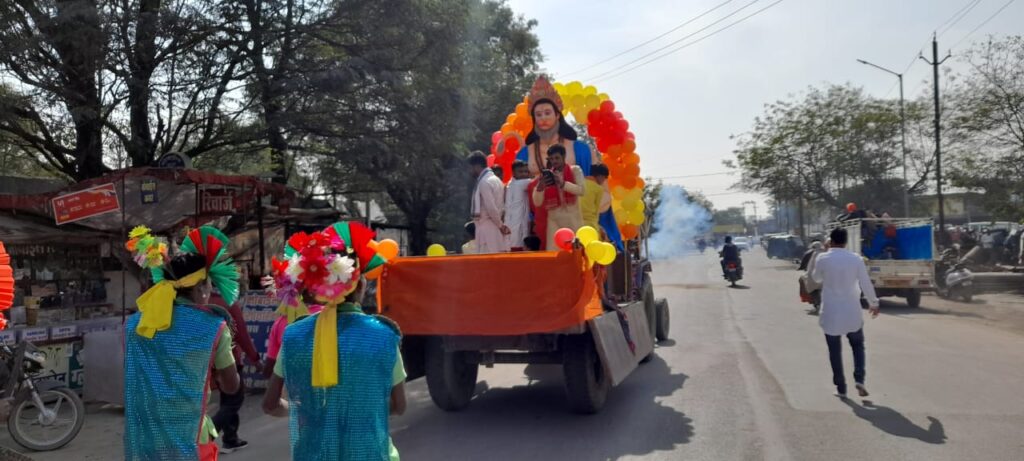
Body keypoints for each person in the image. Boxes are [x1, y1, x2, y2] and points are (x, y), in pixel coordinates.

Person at [262, 222, 405, 461]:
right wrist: (359, 411)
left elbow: (270, 405)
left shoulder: (294, 336)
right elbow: (399, 405)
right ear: (360, 284)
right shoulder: (383, 335)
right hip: (369, 453)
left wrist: (307, 412)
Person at [124, 226, 240, 461]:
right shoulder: (213, 326)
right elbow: (231, 386)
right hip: (191, 438)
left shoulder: (136, 323)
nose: (210, 291)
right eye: (209, 285)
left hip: (145, 437)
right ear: (200, 288)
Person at [811, 228, 880, 398]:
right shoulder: (855, 259)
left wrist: (823, 252)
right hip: (852, 312)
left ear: (831, 241)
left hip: (831, 312)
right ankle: (859, 379)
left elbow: (816, 278)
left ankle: (841, 387)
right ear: (846, 241)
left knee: (834, 350)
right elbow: (865, 282)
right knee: (858, 345)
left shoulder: (822, 258)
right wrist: (874, 303)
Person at [209, 264, 260, 454]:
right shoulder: (227, 303)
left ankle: (231, 437)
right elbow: (241, 334)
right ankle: (208, 434)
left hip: (206, 360)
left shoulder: (201, 302)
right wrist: (255, 359)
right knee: (234, 399)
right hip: (228, 357)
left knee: (227, 399)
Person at [530, 145, 585, 250]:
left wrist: (563, 184)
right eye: (551, 159)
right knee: (555, 254)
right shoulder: (547, 176)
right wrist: (540, 188)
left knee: (576, 252)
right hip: (554, 221)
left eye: (557, 158)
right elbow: (537, 202)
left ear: (564, 156)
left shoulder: (575, 170)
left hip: (573, 219)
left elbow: (582, 190)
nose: (554, 161)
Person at [468, 151, 508, 254]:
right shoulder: (497, 180)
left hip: (487, 231)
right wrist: (500, 225)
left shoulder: (484, 182)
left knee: (487, 262)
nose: (470, 171)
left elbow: (491, 208)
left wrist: (500, 225)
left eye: (470, 168)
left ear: (477, 166)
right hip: (495, 229)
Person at [504, 160, 532, 251]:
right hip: (517, 224)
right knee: (518, 248)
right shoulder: (521, 183)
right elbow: (536, 181)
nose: (524, 174)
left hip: (511, 223)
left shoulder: (509, 184)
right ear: (513, 173)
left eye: (526, 171)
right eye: (520, 171)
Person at [580, 163, 612, 231]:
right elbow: (597, 210)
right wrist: (597, 227)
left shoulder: (580, 182)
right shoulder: (598, 189)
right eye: (605, 178)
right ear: (600, 176)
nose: (604, 181)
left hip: (576, 218)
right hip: (589, 221)